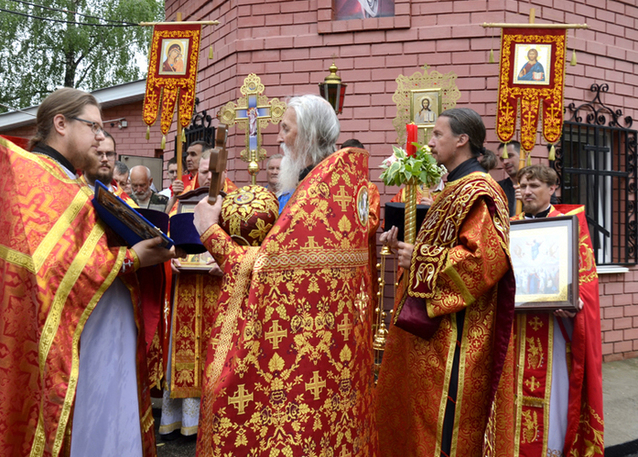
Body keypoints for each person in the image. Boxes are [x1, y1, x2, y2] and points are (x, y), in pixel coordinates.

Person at [0, 88, 177, 457]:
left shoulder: (68, 180)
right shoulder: (37, 176)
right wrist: (132, 258)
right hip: (72, 340)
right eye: (95, 127)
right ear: (61, 124)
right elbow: (57, 268)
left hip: (100, 331)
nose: (101, 137)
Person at [192, 94, 378, 457]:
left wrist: (210, 232)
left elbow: (268, 272)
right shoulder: (338, 186)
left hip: (301, 349)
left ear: (306, 135)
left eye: (286, 128)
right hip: (327, 345)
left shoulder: (314, 195)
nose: (279, 137)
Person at [376, 107, 516, 457]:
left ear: (462, 140)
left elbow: (484, 260)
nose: (431, 141)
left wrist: (421, 259)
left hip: (456, 336)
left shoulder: (479, 190)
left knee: (441, 427)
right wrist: (405, 247)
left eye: (438, 134)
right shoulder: (451, 188)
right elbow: (440, 244)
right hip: (430, 331)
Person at [511, 165, 604, 457]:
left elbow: (587, 281)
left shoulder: (569, 224)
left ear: (553, 189)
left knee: (555, 396)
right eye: (523, 186)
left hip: (556, 331)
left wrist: (575, 304)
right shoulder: (509, 225)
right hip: (516, 330)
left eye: (534, 185)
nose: (527, 191)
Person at [159, 150, 236, 439]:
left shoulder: (238, 201)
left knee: (218, 349)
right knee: (187, 349)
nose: (207, 177)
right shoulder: (185, 200)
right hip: (187, 289)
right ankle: (185, 421)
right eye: (203, 171)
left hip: (221, 288)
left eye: (213, 172)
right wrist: (170, 258)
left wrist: (226, 258)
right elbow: (166, 236)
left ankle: (218, 416)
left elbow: (247, 242)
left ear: (224, 171)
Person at [497, 140, 522, 216]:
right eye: (502, 159)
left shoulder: (541, 183)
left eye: (510, 156)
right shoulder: (498, 188)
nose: (505, 162)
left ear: (523, 155)